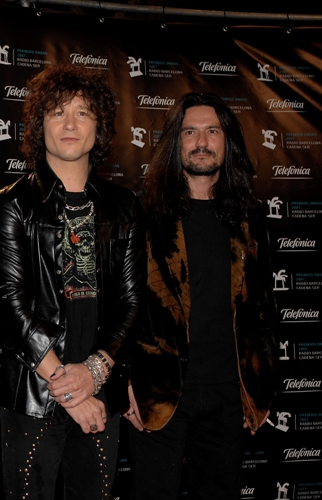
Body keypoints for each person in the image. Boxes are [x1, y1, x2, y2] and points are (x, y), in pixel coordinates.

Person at [0, 64, 145, 499]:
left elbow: (132, 302)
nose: (70, 124)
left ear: (100, 125)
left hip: (102, 389)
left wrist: (94, 373)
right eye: (57, 112)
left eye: (82, 112)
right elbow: (10, 305)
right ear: (40, 126)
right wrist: (69, 388)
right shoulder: (12, 205)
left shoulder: (124, 206)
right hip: (32, 394)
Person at [125, 92, 278, 499]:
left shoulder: (250, 216)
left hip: (228, 393)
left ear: (228, 142)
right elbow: (123, 307)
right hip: (160, 393)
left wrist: (258, 386)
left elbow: (264, 308)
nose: (202, 142)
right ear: (175, 142)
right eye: (190, 132)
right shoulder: (144, 214)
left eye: (212, 131)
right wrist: (124, 383)